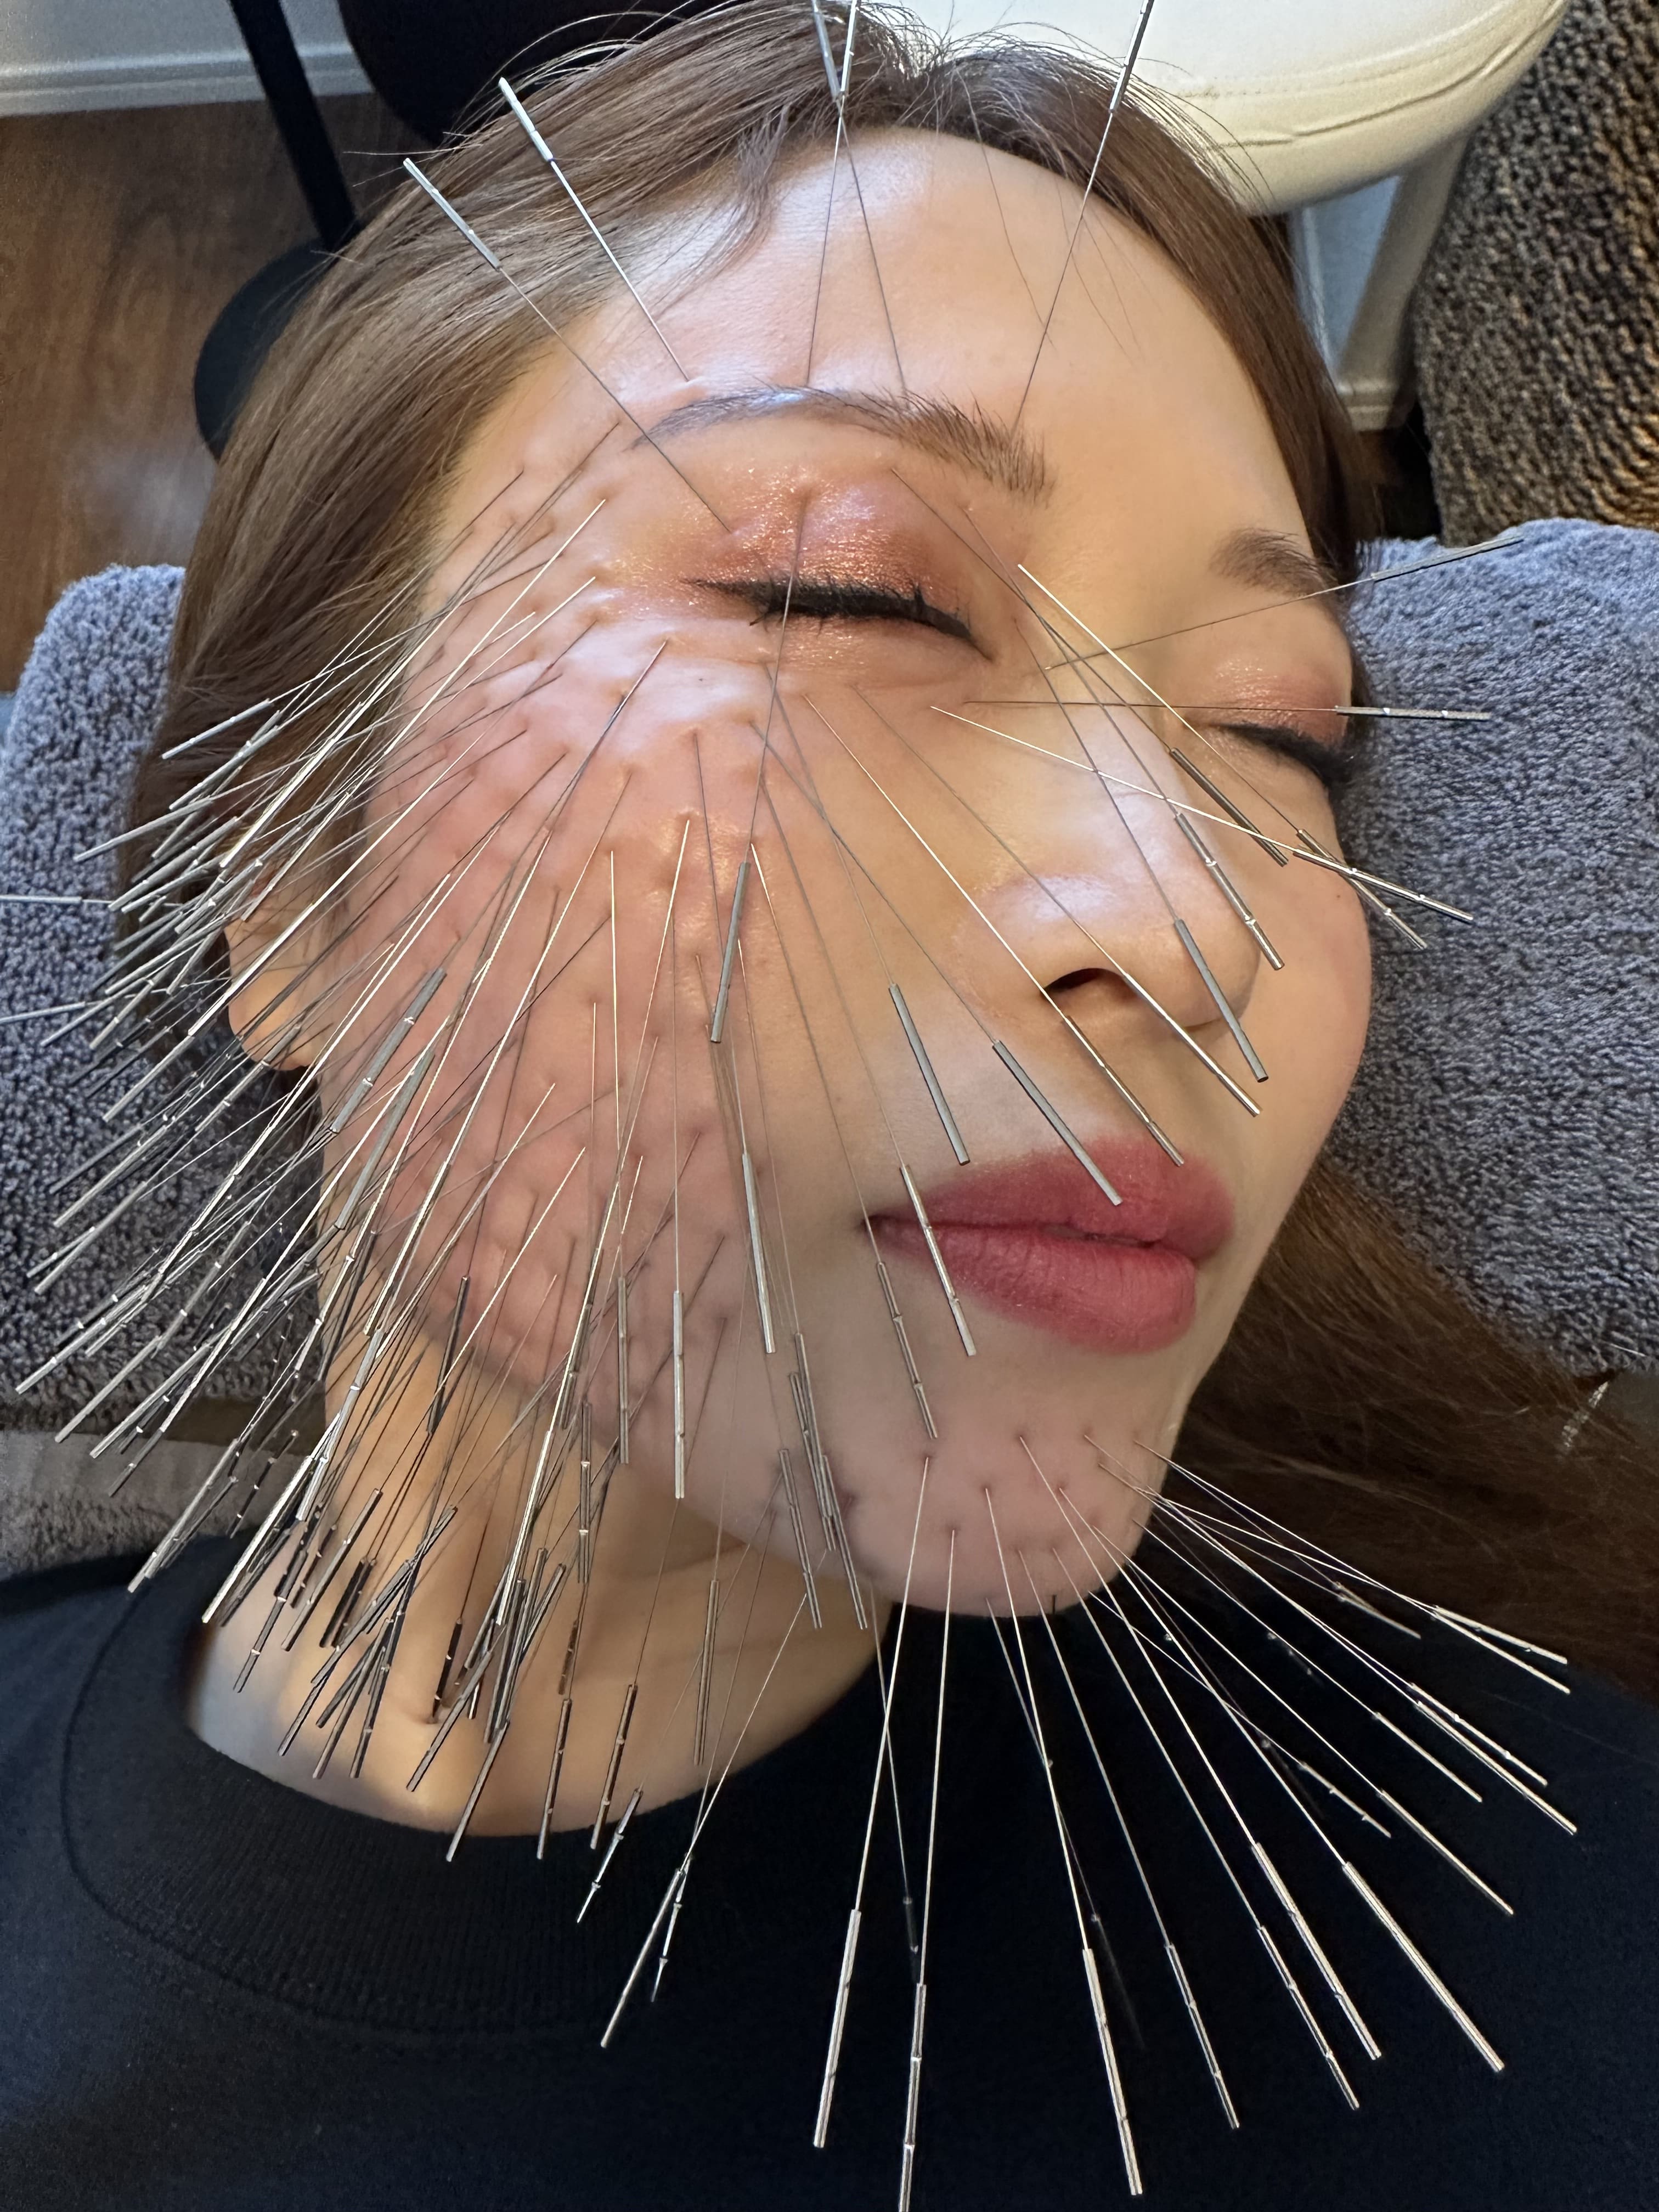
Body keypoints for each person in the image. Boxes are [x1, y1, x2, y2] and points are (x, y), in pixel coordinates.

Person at [1, 7, 1655, 2207]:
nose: (1198, 922)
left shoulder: (1527, 1940)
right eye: (850, 592)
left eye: (1282, 735)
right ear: (294, 899)